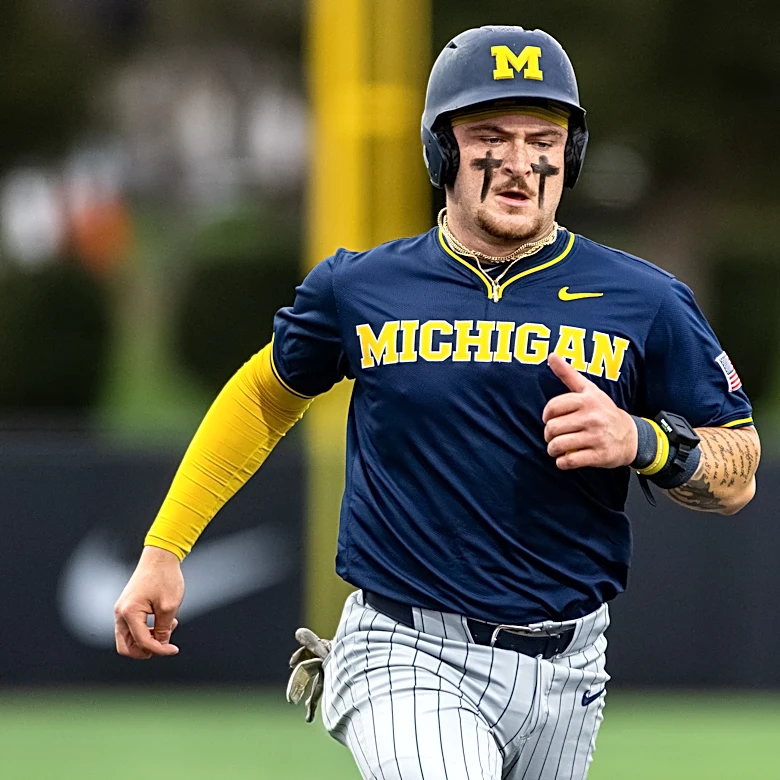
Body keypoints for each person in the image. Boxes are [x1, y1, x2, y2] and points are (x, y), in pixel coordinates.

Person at [114, 25, 760, 780]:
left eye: (543, 137)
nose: (520, 160)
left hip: (571, 667)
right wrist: (166, 547)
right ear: (441, 152)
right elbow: (263, 394)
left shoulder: (644, 300)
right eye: (489, 134)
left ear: (571, 155)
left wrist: (644, 441)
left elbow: (738, 464)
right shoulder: (360, 287)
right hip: (406, 649)